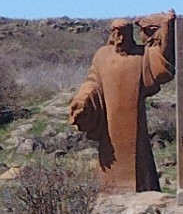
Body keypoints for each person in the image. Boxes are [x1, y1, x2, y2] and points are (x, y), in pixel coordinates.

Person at [68, 12, 176, 195]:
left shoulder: (142, 55)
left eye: (124, 33)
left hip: (134, 124)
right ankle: (109, 189)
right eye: (116, 32)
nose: (119, 38)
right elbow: (93, 81)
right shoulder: (101, 56)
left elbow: (163, 67)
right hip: (110, 124)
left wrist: (167, 29)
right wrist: (83, 98)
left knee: (139, 157)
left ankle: (142, 190)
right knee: (110, 158)